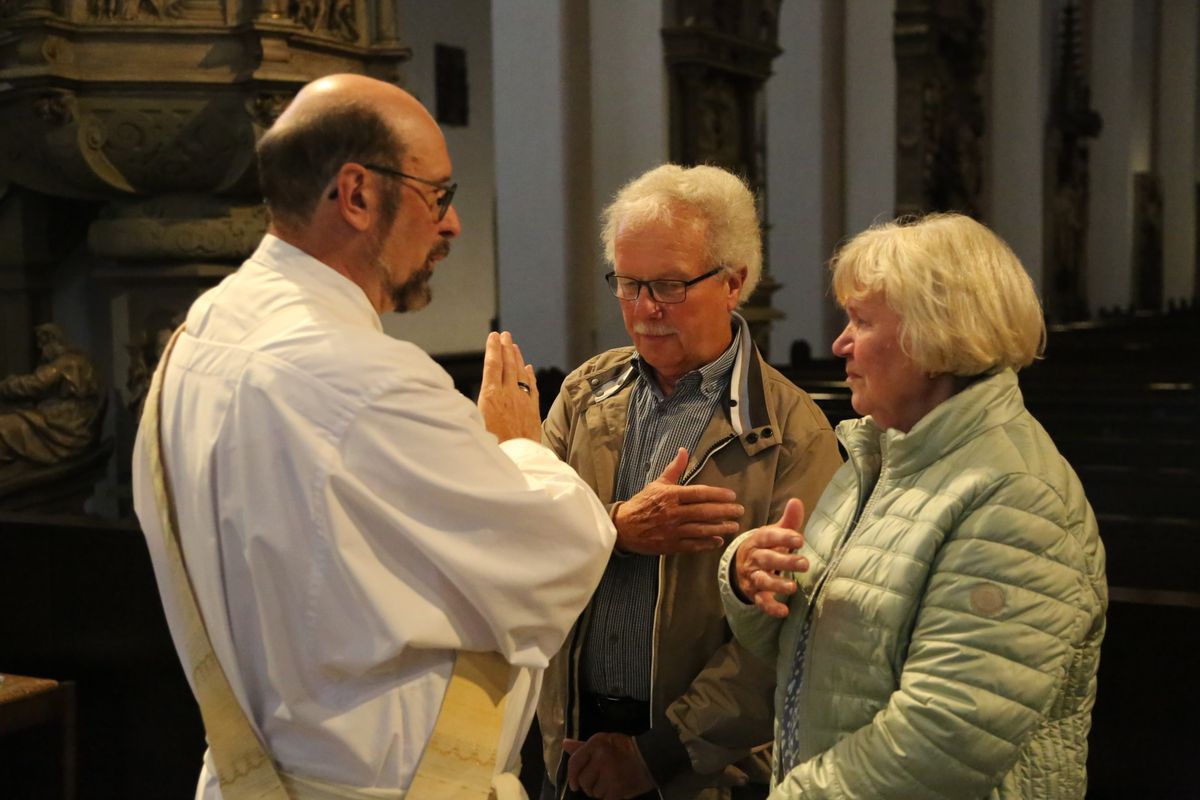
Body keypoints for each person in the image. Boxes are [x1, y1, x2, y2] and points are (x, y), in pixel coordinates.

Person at [131, 74, 615, 800]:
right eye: (438, 196)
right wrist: (518, 446)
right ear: (356, 194)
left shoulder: (196, 339)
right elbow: (561, 552)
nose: (452, 225)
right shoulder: (363, 379)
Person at [721, 213, 1107, 799]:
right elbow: (812, 658)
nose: (839, 343)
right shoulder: (880, 460)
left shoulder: (1017, 498)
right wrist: (750, 581)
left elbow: (944, 739)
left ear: (936, 336)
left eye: (861, 321)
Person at [538, 164, 842, 800]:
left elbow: (792, 628)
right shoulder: (585, 394)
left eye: (670, 286)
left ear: (733, 282)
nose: (644, 309)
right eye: (628, 284)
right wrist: (614, 529)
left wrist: (660, 753)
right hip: (569, 739)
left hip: (703, 769)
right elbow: (526, 543)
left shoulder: (792, 432)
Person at [0, 323, 104, 472]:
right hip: (72, 423)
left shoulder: (67, 362)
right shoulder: (81, 360)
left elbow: (35, 384)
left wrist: (5, 386)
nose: (42, 351)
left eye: (43, 345)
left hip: (66, 427)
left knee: (5, 427)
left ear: (53, 341)